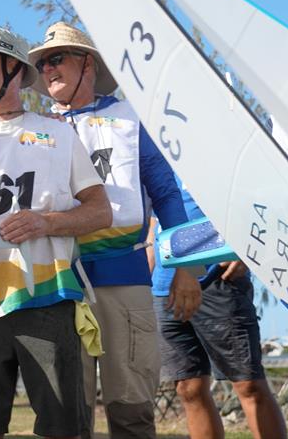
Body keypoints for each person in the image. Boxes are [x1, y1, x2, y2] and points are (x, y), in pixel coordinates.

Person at [0, 25, 111, 439]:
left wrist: (46, 222)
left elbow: (100, 212)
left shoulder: (59, 134)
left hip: (46, 299)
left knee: (63, 430)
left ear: (13, 67)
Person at [28, 22, 202, 439]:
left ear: (87, 63)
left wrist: (185, 267)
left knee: (131, 410)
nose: (48, 69)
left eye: (57, 59)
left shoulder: (130, 120)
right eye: (43, 63)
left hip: (123, 279)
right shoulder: (34, 128)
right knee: (68, 416)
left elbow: (167, 194)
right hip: (58, 283)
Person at [149, 184, 287, 439]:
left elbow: (265, 197)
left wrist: (249, 251)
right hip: (163, 286)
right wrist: (146, 280)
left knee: (248, 384)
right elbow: (153, 220)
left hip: (217, 281)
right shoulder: (158, 153)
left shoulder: (220, 148)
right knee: (188, 387)